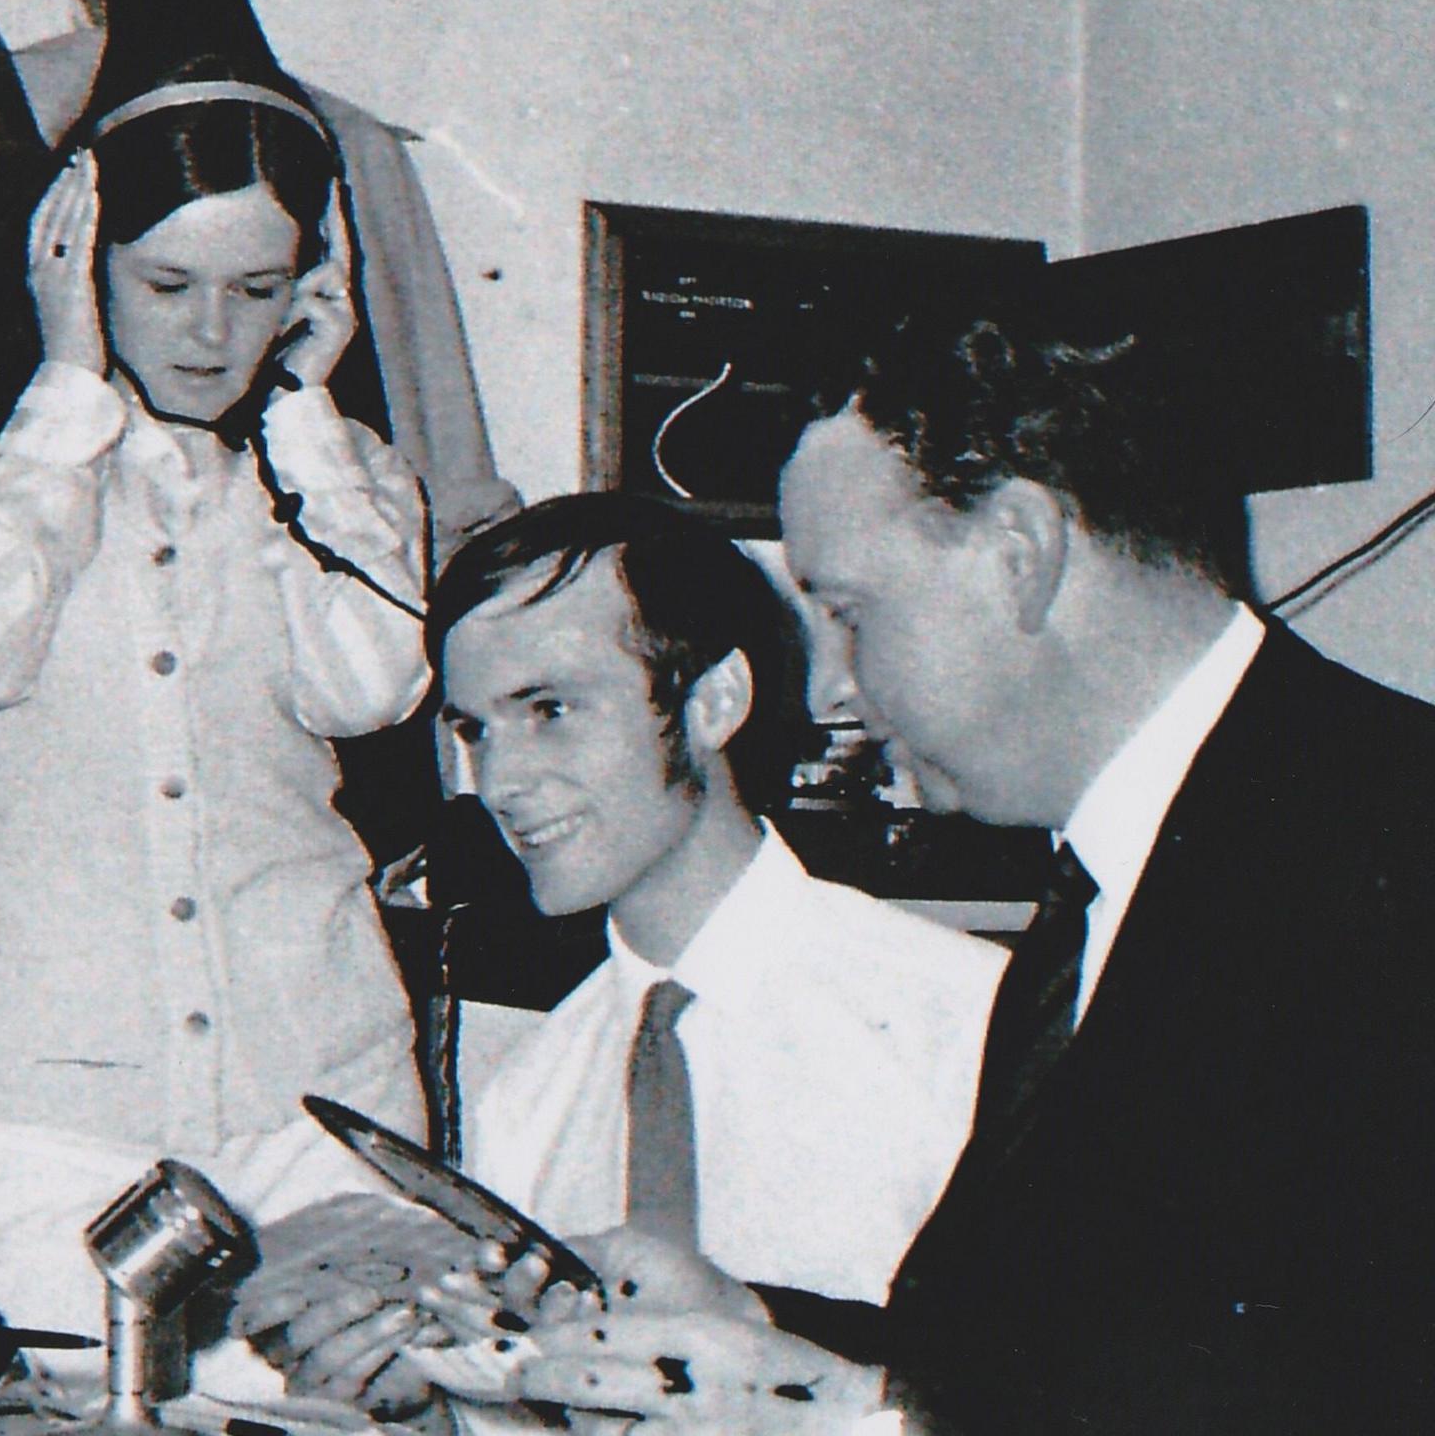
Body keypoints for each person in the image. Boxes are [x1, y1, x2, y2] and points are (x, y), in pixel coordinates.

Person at [486, 311, 1435, 1433]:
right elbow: (1063, 1354)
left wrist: (854, 1426)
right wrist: (763, 1332)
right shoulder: (1108, 890)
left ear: (1021, 556)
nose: (833, 690)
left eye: (848, 614)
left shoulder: (1388, 851)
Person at [0, 21, 430, 1356]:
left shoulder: (339, 468)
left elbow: (377, 683)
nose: (211, 333)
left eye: (257, 289)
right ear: (79, 251)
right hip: (35, 1126)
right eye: (167, 281)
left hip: (323, 1106)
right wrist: (69, 385)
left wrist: (303, 411)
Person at [239, 494, 1004, 1421]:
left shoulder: (969, 1023)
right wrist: (420, 1406)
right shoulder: (524, 1096)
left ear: (713, 702)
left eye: (550, 709)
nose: (501, 781)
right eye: (474, 729)